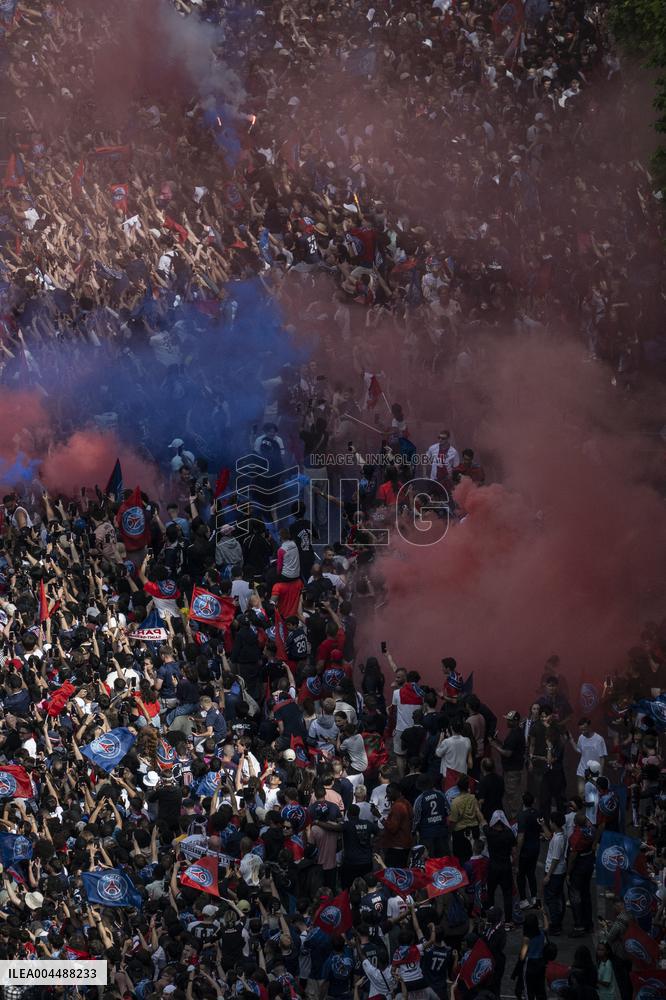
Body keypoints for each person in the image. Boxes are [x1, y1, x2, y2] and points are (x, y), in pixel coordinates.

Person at [489, 710, 525, 820]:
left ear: (516, 721)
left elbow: (507, 753)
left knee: (513, 796)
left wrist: (494, 745)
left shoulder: (515, 734)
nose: (507, 722)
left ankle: (515, 821)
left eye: (509, 720)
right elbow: (507, 746)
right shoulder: (515, 732)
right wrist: (497, 741)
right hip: (511, 770)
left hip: (512, 771)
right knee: (510, 796)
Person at [485, 810, 517, 929]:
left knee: (490, 894)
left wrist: (477, 809)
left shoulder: (489, 832)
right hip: (506, 867)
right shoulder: (509, 833)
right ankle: (508, 921)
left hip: (493, 867)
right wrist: (515, 865)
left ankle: (490, 920)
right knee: (507, 894)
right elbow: (514, 852)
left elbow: (483, 823)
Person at [541, 811, 567, 935]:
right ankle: (557, 922)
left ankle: (555, 925)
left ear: (554, 823)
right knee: (558, 896)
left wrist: (548, 876)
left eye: (550, 821)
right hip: (559, 872)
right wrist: (543, 826)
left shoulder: (558, 840)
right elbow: (550, 836)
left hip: (555, 873)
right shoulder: (560, 834)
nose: (549, 823)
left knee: (551, 899)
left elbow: (555, 859)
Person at [516, 791, 541, 910]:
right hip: (536, 848)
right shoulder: (537, 813)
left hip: (525, 850)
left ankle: (524, 900)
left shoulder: (522, 815)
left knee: (521, 874)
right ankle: (535, 898)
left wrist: (517, 851)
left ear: (523, 802)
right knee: (531, 873)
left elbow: (521, 836)